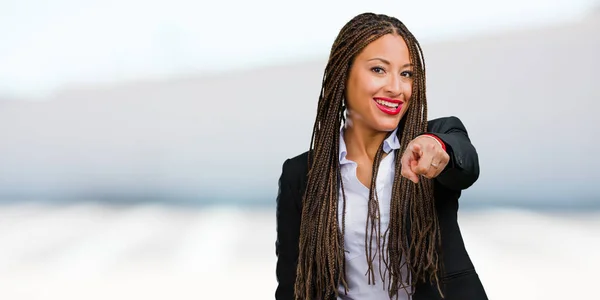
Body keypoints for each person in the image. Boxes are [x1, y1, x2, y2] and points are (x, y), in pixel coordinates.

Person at [275, 12, 488, 300]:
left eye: (406, 74)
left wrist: (437, 148)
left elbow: (465, 164)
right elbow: (292, 285)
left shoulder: (431, 140)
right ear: (343, 73)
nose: (396, 88)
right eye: (379, 70)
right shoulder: (301, 174)